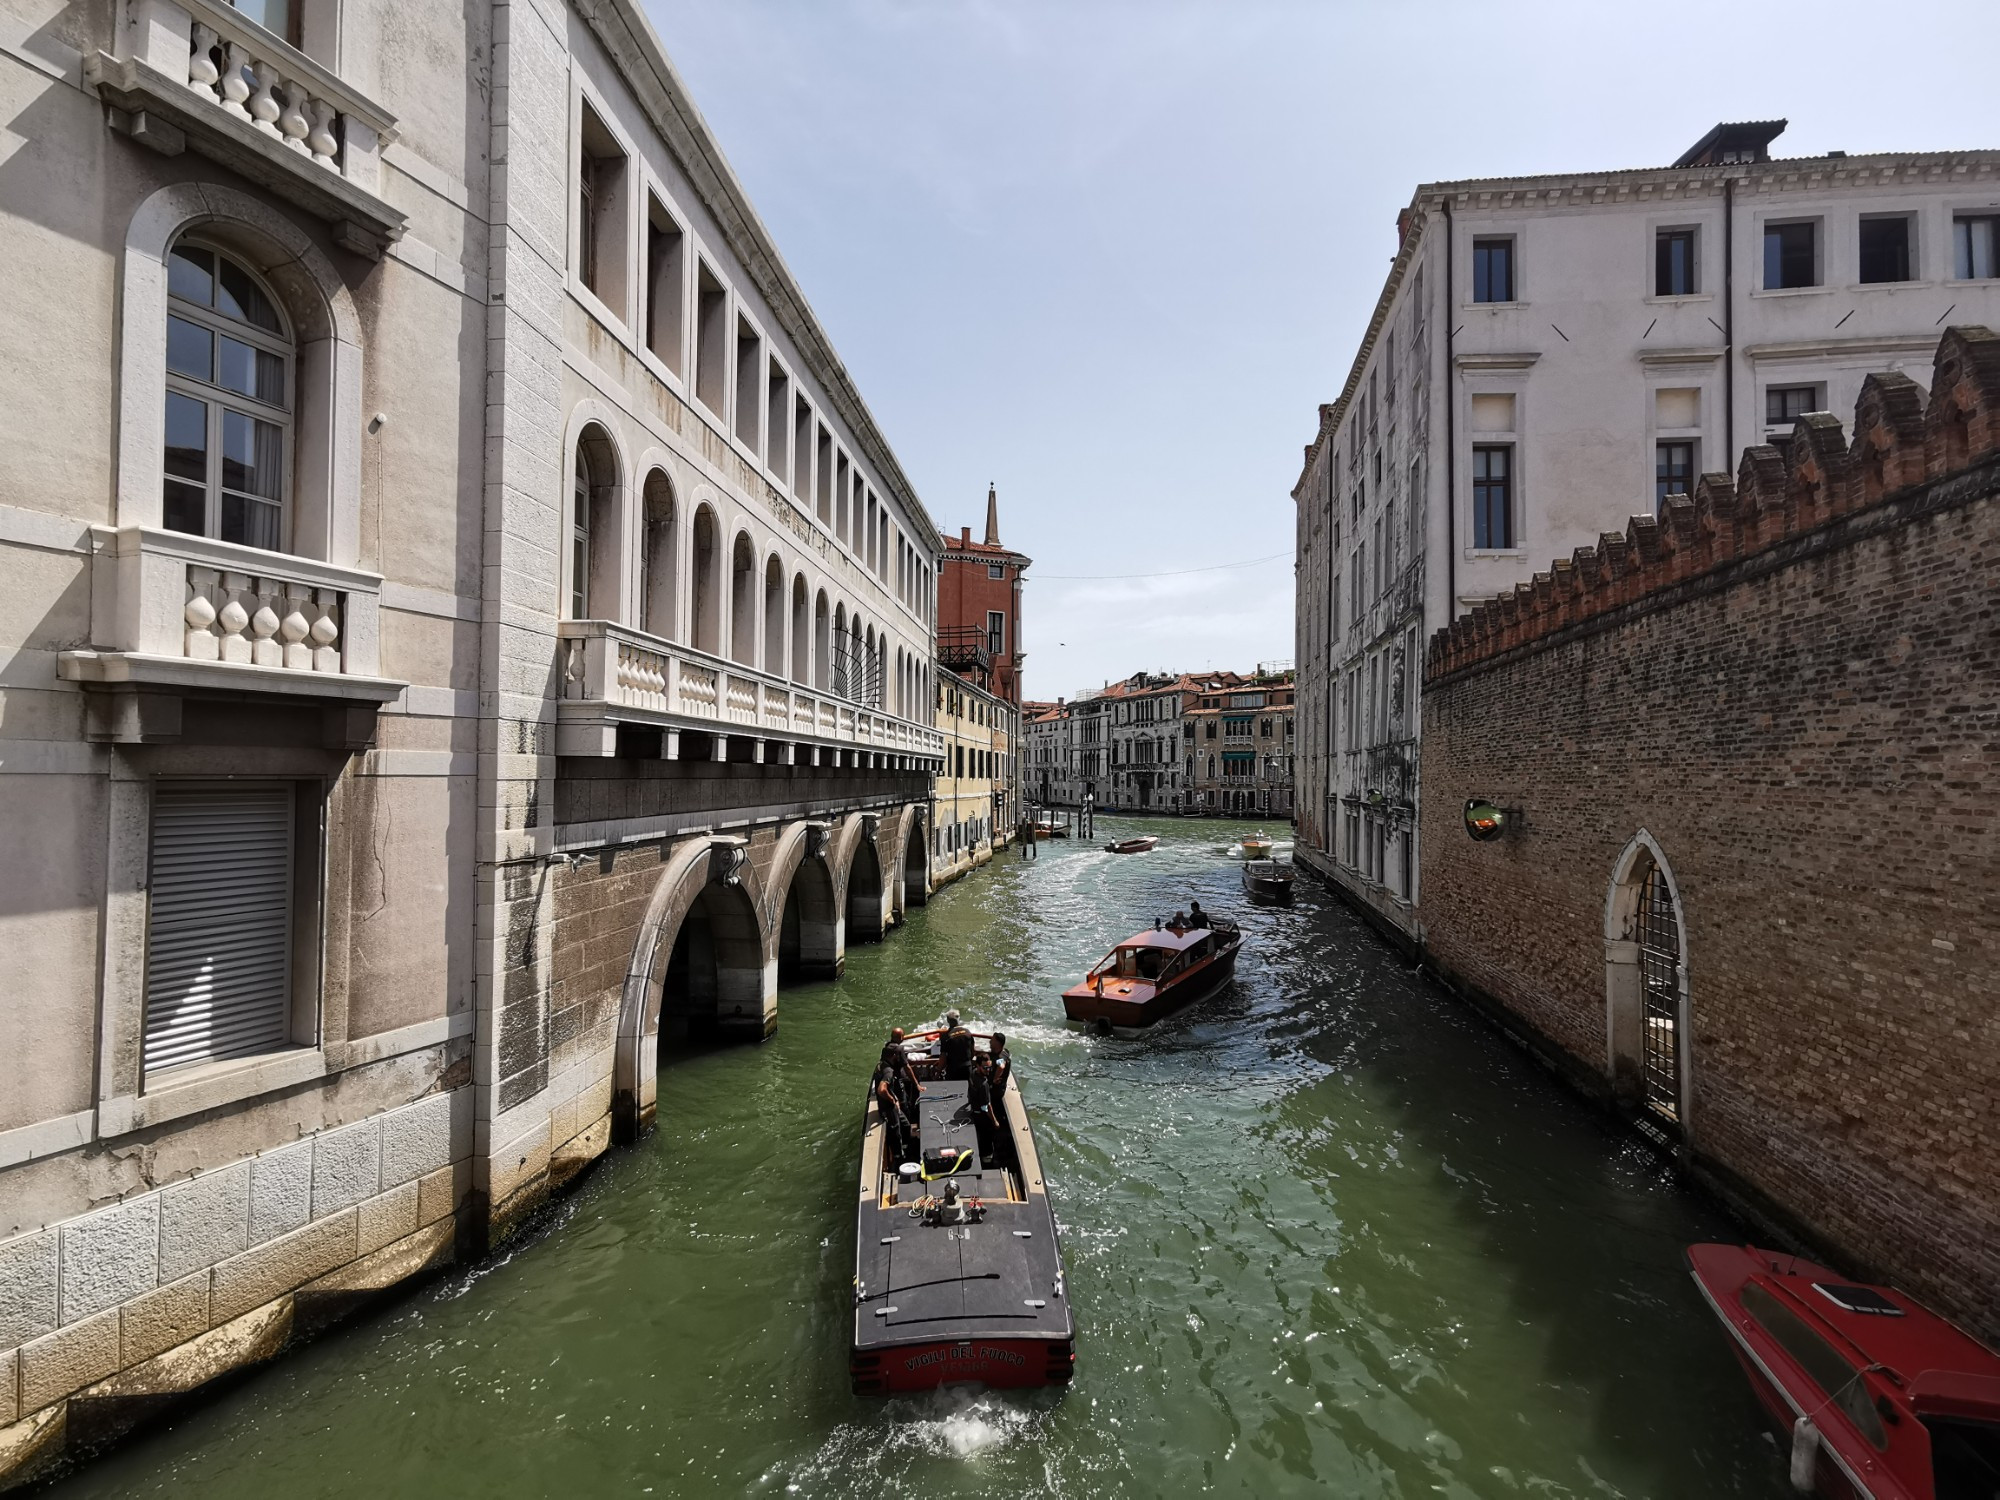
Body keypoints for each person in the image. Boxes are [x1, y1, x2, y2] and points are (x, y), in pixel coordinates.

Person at [874, 1069, 915, 1165]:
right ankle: (898, 1158)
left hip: (893, 1106)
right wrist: (892, 1099)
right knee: (896, 1132)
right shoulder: (888, 1071)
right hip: (888, 1109)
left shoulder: (882, 1067)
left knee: (906, 1125)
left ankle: (907, 1150)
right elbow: (881, 1089)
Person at [880, 1027, 923, 1114]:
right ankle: (908, 1114)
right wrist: (916, 1085)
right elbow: (907, 1067)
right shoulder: (899, 1049)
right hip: (896, 1079)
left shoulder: (886, 1047)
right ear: (901, 1037)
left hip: (890, 1076)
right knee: (903, 1102)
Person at [966, 1054, 997, 1164]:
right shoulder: (984, 1084)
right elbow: (986, 1107)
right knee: (986, 1136)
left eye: (989, 1068)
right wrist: (994, 1121)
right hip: (981, 1115)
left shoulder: (973, 1072)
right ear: (978, 1066)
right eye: (985, 1068)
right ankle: (987, 1159)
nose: (988, 1071)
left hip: (972, 1110)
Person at [941, 1011, 975, 1080]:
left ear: (947, 1020)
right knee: (966, 1089)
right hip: (967, 1068)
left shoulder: (946, 1036)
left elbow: (943, 1057)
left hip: (953, 1070)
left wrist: (938, 1070)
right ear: (958, 1019)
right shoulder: (967, 1032)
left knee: (954, 1090)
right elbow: (973, 1051)